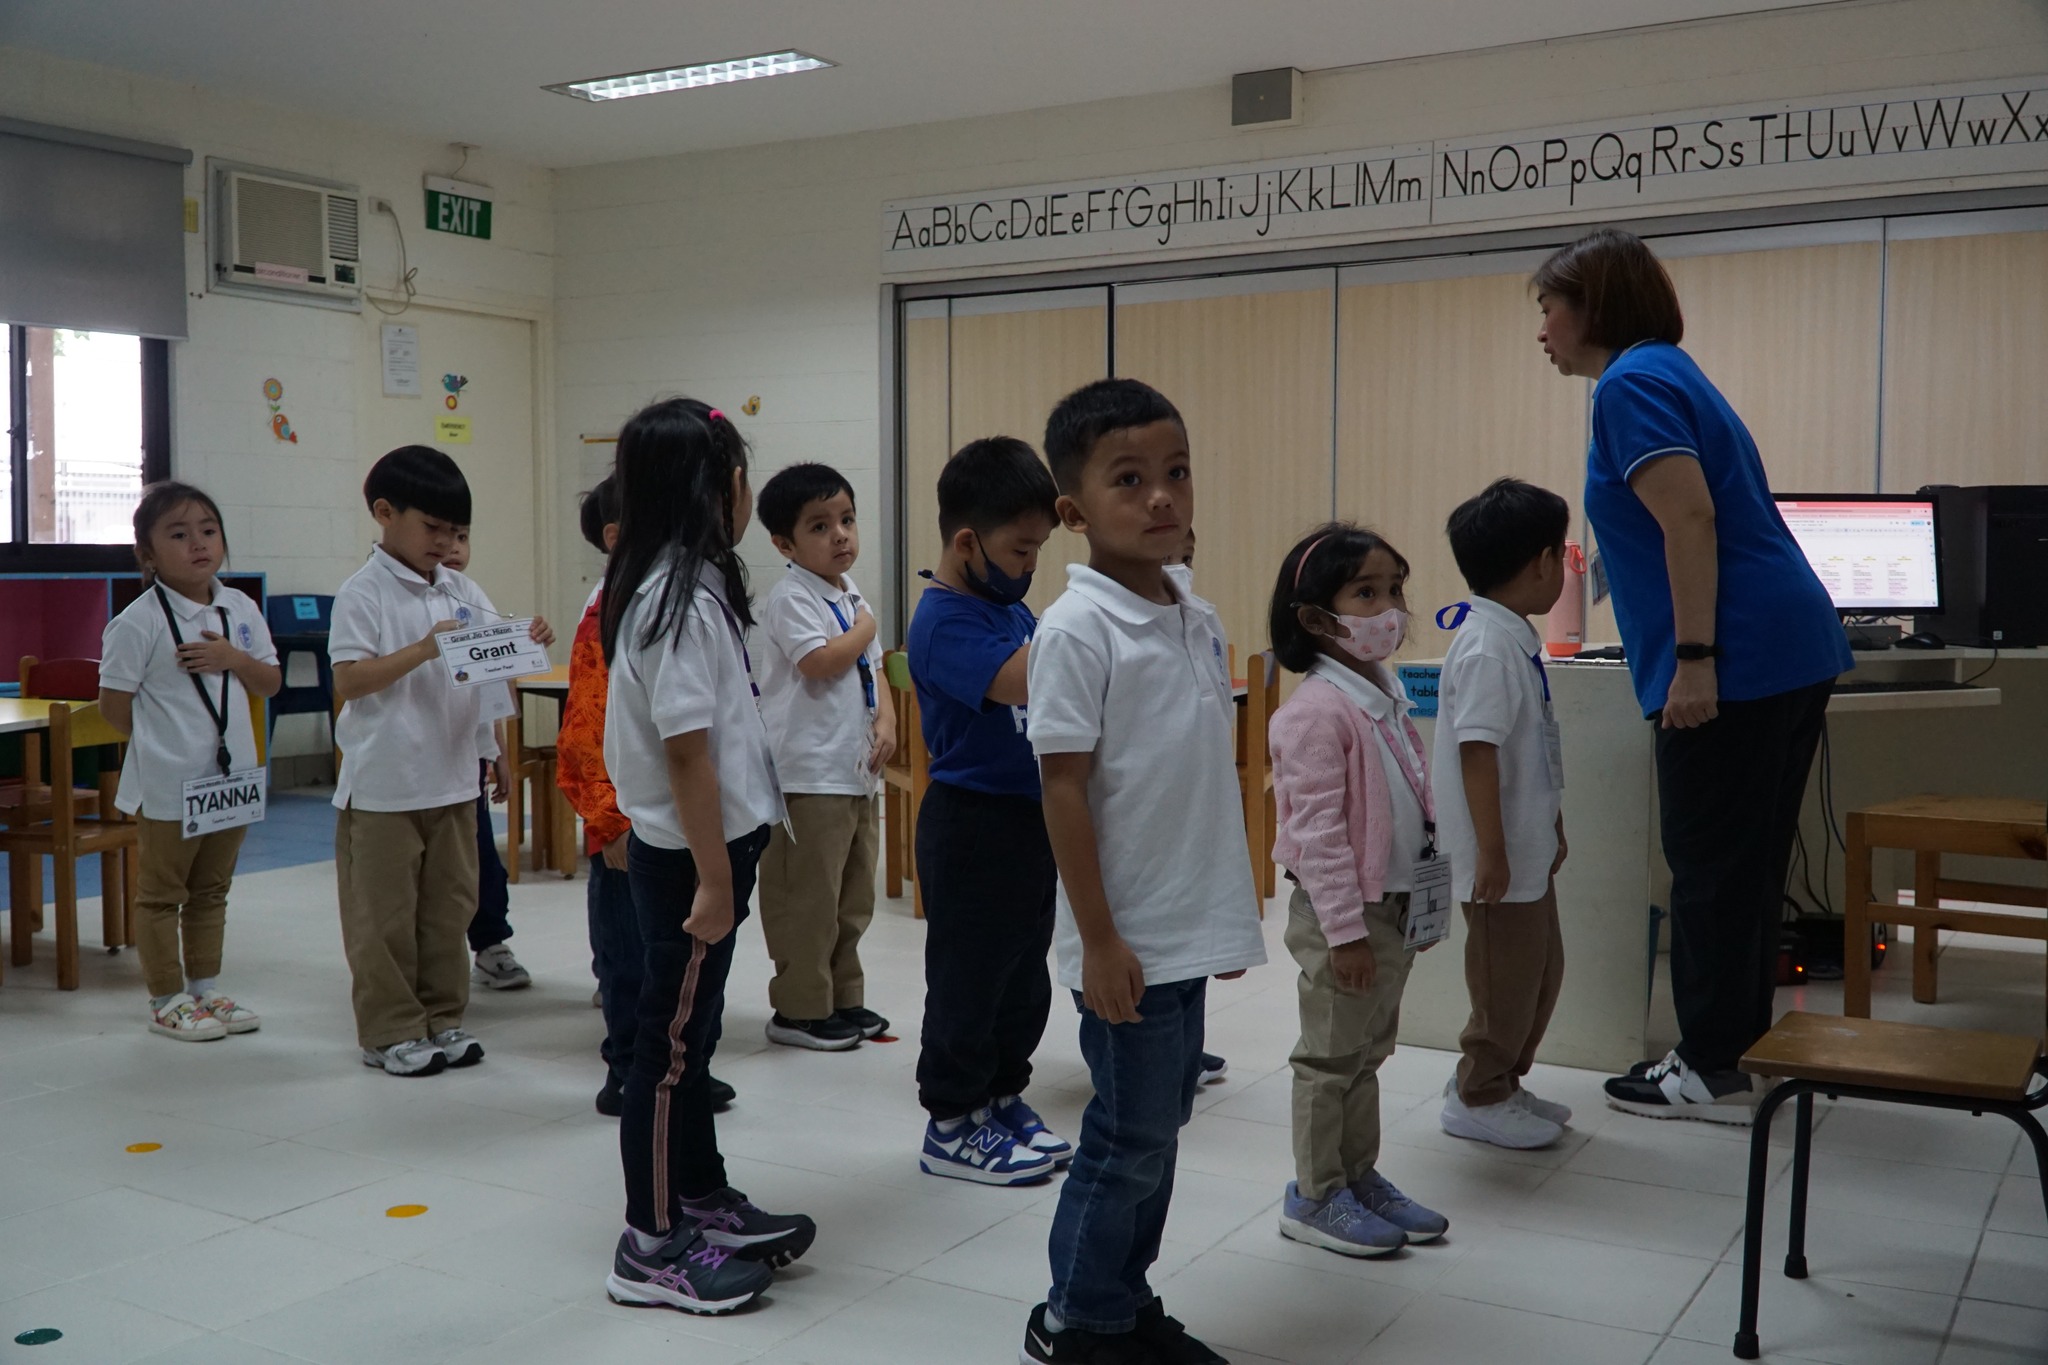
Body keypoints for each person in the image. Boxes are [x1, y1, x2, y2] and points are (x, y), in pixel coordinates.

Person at [1533, 228, 1850, 1123]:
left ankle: (1709, 1065)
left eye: (1549, 306)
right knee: (1744, 868)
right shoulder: (1670, 371)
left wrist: (1697, 660)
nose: (1543, 327)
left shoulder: (1631, 382)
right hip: (1788, 646)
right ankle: (1735, 1051)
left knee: (1710, 867)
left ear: (1592, 305)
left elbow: (1689, 520)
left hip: (1741, 655)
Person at [1024, 379, 1265, 1365]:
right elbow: (1064, 789)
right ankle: (1081, 1320)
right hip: (1122, 935)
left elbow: (1194, 777)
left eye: (1174, 473)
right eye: (1129, 480)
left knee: (1156, 1127)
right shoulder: (1075, 632)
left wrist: (1218, 917)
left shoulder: (1190, 611)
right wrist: (1101, 940)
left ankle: (1117, 1296)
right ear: (1074, 513)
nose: (1160, 496)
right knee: (1127, 1140)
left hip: (1177, 924)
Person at [599, 397, 814, 1316]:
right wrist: (718, 882)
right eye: (737, 471)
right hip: (694, 860)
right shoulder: (673, 600)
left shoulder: (690, 581)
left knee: (691, 1040)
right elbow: (686, 751)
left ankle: (698, 1194)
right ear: (713, 486)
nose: (746, 488)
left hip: (714, 846)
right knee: (668, 1049)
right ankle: (649, 1244)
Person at [330, 446, 553, 1076]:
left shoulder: (462, 588)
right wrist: (424, 648)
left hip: (454, 783)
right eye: (433, 528)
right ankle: (390, 1031)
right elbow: (349, 681)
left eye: (458, 532)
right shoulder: (363, 593)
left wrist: (497, 743)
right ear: (384, 512)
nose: (446, 543)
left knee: (448, 911)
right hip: (384, 790)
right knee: (384, 922)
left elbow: (485, 676)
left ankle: (443, 1019)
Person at [1266, 524, 1451, 1260]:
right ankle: (1315, 1193)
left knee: (1368, 1052)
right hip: (1346, 914)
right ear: (1316, 618)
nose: (1390, 608)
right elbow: (1317, 836)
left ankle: (1358, 1174)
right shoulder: (1315, 712)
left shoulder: (1384, 691)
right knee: (1329, 1056)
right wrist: (1343, 933)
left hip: (1392, 906)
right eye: (1367, 593)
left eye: (1395, 589)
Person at [908, 437, 1068, 1188]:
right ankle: (952, 1118)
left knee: (1021, 977)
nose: (1029, 564)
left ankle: (1002, 1097)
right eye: (1020, 549)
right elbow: (1025, 682)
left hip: (1028, 818)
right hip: (971, 822)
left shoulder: (1008, 605)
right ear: (967, 542)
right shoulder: (943, 620)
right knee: (969, 978)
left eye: (1039, 548)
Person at [560, 477, 739, 1118]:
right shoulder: (614, 609)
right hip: (631, 821)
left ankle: (684, 1067)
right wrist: (607, 822)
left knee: (678, 960)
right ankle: (628, 1068)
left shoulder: (683, 594)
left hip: (675, 819)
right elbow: (587, 725)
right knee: (629, 954)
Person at [97, 481, 281, 1041]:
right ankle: (165, 997)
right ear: (147, 555)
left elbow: (270, 683)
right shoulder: (137, 622)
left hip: (231, 779)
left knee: (211, 890)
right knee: (161, 894)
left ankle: (205, 988)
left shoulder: (240, 608)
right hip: (169, 783)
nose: (198, 544)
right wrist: (164, 745)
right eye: (178, 535)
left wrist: (232, 658)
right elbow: (114, 709)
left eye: (207, 530)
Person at [1434, 479, 1574, 1150]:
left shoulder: (1510, 637)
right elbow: (1478, 752)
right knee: (1505, 979)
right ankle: (1477, 1090)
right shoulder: (1488, 646)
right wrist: (1491, 848)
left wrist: (1549, 825)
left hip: (1522, 845)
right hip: (1500, 855)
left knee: (1541, 970)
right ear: (1542, 562)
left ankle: (1505, 1082)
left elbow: (1530, 749)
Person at [754, 462, 896, 1051]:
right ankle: (799, 1010)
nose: (840, 534)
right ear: (785, 543)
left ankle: (844, 997)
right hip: (808, 774)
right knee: (806, 899)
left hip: (854, 772)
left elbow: (875, 666)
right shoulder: (790, 597)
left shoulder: (849, 592)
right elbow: (821, 662)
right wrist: (867, 627)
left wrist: (886, 718)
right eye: (820, 526)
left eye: (847, 519)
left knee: (851, 897)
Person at [441, 526, 531, 992]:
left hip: (469, 757)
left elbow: (494, 682)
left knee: (482, 861)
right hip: (420, 762)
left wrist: (497, 754)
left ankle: (491, 944)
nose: (453, 548)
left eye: (462, 537)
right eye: (441, 534)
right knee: (436, 871)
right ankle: (431, 960)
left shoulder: (471, 595)